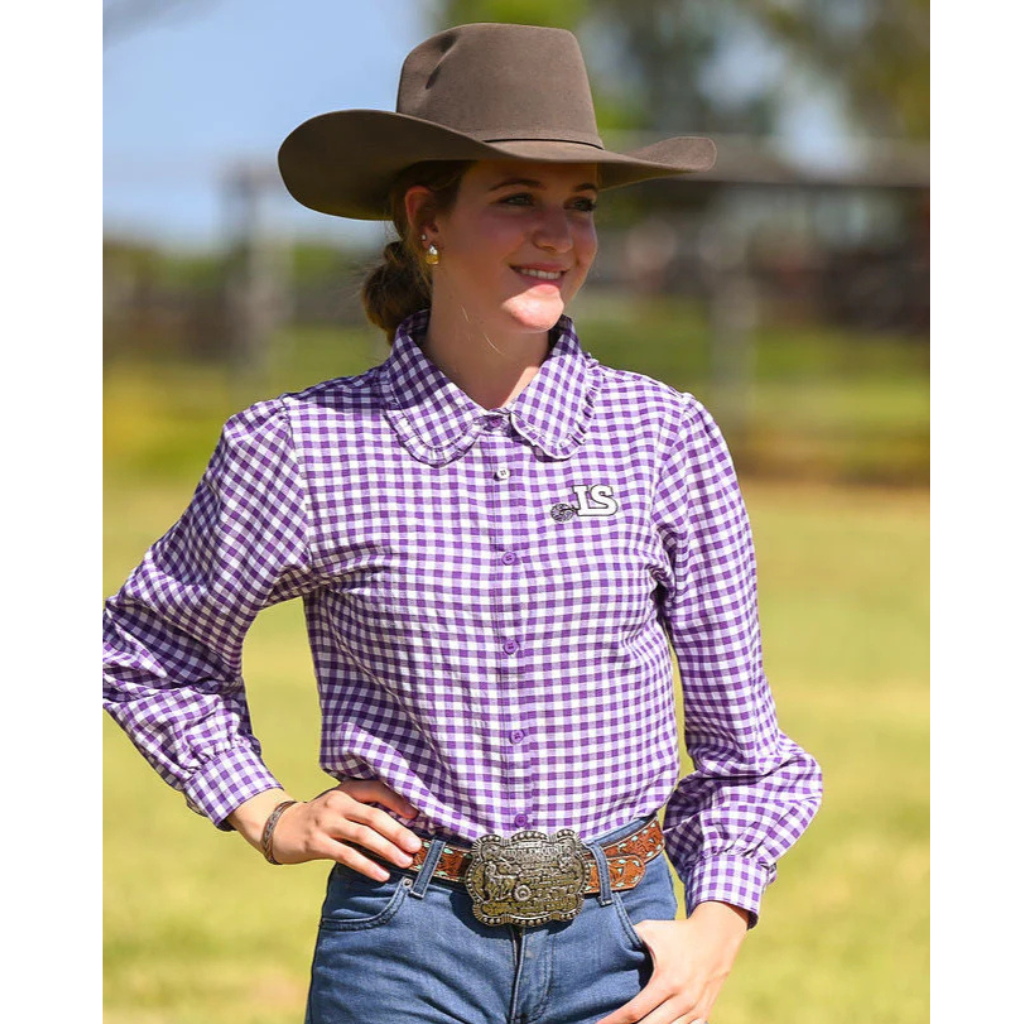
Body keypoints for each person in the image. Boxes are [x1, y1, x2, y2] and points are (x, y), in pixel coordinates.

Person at [103, 22, 823, 1024]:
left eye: (580, 204)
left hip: (626, 951)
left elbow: (747, 752)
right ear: (425, 217)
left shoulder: (664, 436)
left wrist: (716, 927)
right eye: (517, 197)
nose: (558, 234)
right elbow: (148, 648)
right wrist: (264, 813)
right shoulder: (301, 447)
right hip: (399, 949)